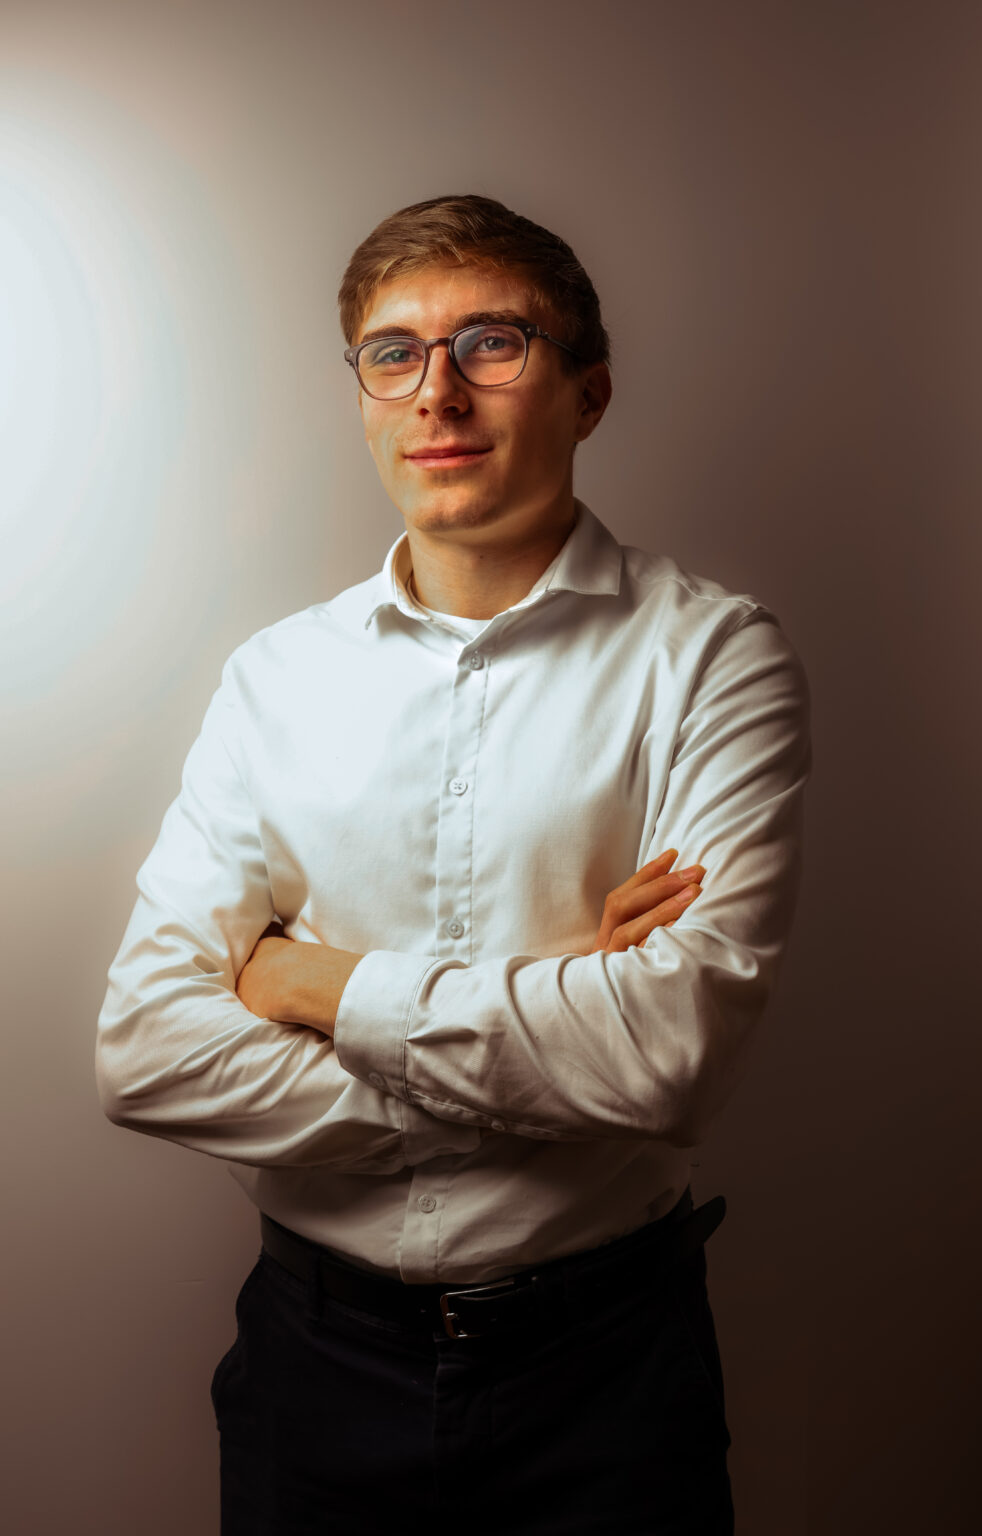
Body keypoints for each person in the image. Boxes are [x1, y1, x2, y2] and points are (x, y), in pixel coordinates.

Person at [96, 193, 810, 1535]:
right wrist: (550, 1029)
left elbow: (669, 1055)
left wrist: (312, 986)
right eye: (394, 352)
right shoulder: (274, 680)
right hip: (313, 1370)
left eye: (493, 342)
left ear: (590, 391)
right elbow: (145, 1051)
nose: (438, 390)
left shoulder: (715, 659)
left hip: (606, 1379)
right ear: (362, 396)